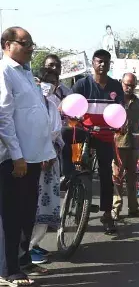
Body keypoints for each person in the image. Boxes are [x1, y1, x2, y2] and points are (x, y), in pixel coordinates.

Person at [0, 26, 56, 286]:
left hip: (33, 157)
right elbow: (4, 118)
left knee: (26, 214)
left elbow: (35, 114)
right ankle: (7, 270)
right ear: (7, 44)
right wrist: (17, 156)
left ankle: (22, 262)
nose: (31, 48)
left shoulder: (25, 72)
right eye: (25, 43)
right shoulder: (4, 72)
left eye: (32, 43)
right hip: (14, 159)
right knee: (10, 215)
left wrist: (46, 152)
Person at [61, 49, 124, 234]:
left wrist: (122, 125)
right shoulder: (82, 84)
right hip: (82, 134)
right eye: (99, 61)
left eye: (106, 61)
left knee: (105, 174)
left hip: (105, 136)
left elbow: (121, 110)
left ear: (110, 64)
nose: (102, 65)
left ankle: (106, 214)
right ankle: (71, 183)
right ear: (93, 63)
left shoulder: (115, 86)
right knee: (76, 163)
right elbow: (69, 106)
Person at [29, 67, 65, 268]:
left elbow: (57, 133)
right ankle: (24, 251)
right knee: (30, 208)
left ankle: (34, 245)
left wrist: (51, 152)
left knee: (45, 207)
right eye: (46, 80)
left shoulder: (53, 105)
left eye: (53, 81)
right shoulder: (29, 104)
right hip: (32, 162)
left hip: (50, 163)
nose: (48, 85)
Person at [112, 73, 139, 220]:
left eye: (132, 85)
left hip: (134, 145)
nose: (129, 87)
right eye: (127, 84)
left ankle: (134, 208)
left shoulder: (138, 103)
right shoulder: (115, 101)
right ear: (121, 83)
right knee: (117, 178)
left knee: (133, 180)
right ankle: (115, 208)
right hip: (117, 144)